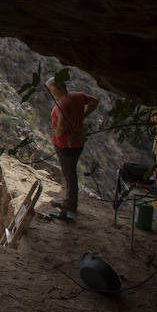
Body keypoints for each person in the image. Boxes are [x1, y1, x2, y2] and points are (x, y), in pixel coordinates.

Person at [47, 76, 97, 216]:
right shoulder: (77, 96)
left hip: (65, 144)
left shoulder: (62, 105)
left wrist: (57, 134)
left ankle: (70, 204)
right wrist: (83, 116)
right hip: (78, 142)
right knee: (70, 174)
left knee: (69, 175)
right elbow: (94, 101)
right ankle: (69, 201)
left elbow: (61, 128)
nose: (51, 93)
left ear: (57, 89)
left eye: (51, 90)